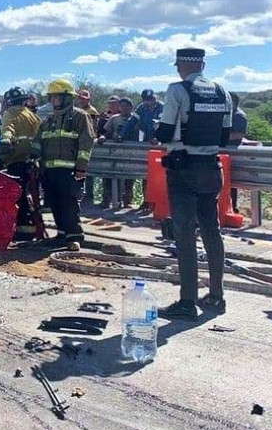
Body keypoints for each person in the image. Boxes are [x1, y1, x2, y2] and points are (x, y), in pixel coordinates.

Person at [155, 48, 232, 320]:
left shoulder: (177, 90)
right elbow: (225, 136)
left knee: (185, 234)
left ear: (183, 65)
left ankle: (187, 302)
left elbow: (164, 131)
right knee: (212, 231)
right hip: (212, 167)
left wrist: (163, 132)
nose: (177, 69)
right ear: (203, 64)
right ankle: (216, 296)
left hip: (183, 169)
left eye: (178, 65)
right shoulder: (222, 91)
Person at [31, 79, 95, 251]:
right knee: (54, 202)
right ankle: (61, 235)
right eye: (51, 97)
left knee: (69, 203)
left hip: (70, 170)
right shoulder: (49, 119)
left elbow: (86, 142)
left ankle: (74, 236)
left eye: (56, 97)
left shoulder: (80, 116)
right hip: (50, 170)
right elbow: (39, 140)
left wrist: (81, 166)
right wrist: (34, 154)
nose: (52, 101)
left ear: (67, 98)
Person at [0, 87, 44, 241]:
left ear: (9, 101)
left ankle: (22, 230)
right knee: (31, 195)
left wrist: (5, 140)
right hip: (33, 162)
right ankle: (35, 228)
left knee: (18, 196)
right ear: (25, 100)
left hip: (16, 160)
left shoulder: (10, 113)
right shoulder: (33, 116)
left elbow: (8, 128)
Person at [97, 97, 139, 208]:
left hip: (131, 153)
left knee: (129, 178)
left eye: (127, 106)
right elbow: (107, 132)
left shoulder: (137, 119)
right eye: (122, 106)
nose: (124, 108)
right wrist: (102, 137)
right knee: (108, 175)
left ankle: (127, 202)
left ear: (131, 107)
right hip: (114, 152)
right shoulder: (114, 119)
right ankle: (106, 200)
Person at [75, 89, 101, 203]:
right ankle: (81, 193)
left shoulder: (92, 111)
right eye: (80, 99)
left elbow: (92, 127)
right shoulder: (78, 110)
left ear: (89, 100)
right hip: (79, 141)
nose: (82, 101)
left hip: (87, 141)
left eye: (84, 99)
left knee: (88, 169)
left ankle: (89, 195)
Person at [227, 92, 248, 213]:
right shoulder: (226, 114)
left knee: (232, 183)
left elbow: (239, 134)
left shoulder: (239, 116)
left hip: (233, 154)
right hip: (223, 153)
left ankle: (233, 207)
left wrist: (220, 136)